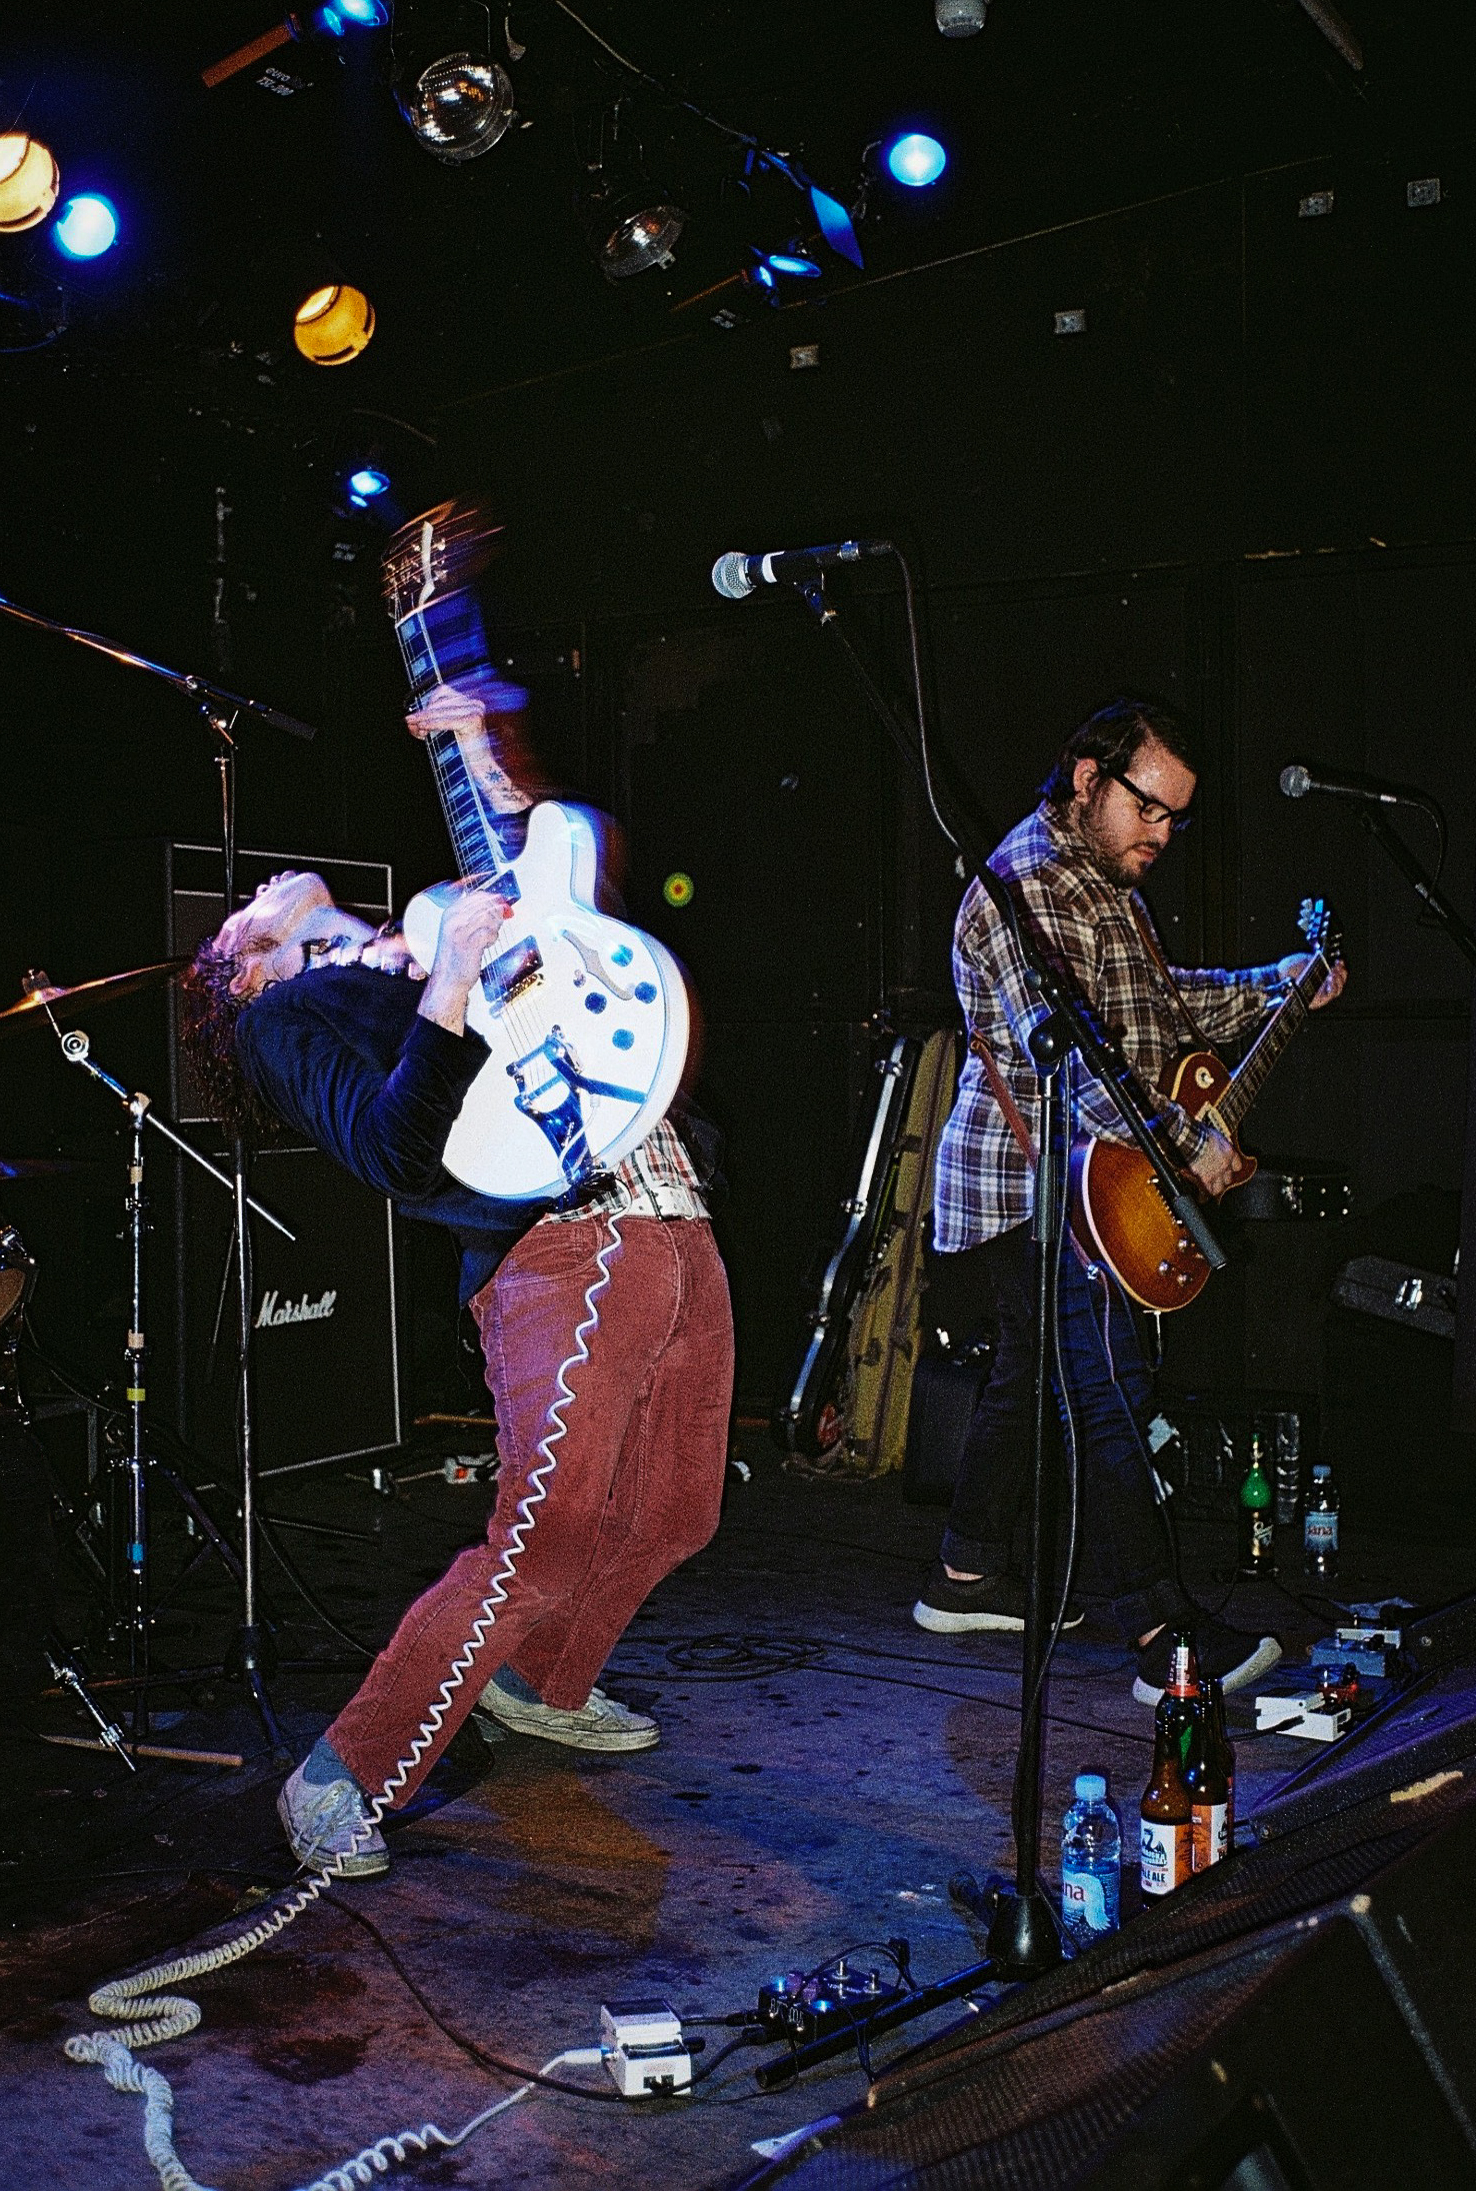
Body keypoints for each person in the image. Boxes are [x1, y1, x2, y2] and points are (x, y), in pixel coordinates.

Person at [181, 679, 734, 1876]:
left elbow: (561, 881)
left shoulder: (418, 934)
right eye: (244, 907)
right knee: (543, 1537)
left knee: (678, 1511)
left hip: (668, 1208)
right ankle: (341, 1774)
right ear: (242, 967)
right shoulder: (286, 1020)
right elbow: (390, 1149)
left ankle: (542, 1682)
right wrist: (446, 981)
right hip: (562, 1248)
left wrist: (481, 748)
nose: (262, 883)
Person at [914, 698, 1346, 1703]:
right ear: (1087, 778)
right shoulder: (1031, 884)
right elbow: (1071, 1063)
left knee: (1032, 1372)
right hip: (1033, 1182)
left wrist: (1279, 982)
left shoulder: (1105, 882)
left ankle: (963, 1573)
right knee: (1106, 1382)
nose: (1161, 833)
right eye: (1148, 808)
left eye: (1174, 817)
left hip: (1080, 1175)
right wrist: (1187, 1146)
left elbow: (1159, 1004)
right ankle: (1160, 1634)